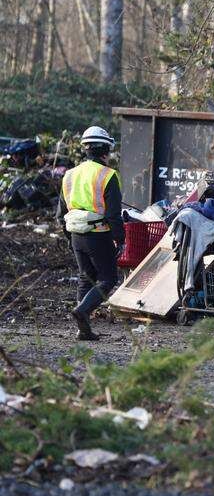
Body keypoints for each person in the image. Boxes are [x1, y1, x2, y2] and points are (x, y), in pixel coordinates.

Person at [59, 126, 125, 341]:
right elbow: (114, 214)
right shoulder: (108, 175)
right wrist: (120, 239)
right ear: (106, 149)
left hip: (76, 234)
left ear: (85, 149)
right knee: (107, 279)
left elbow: (61, 212)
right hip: (100, 234)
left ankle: (83, 330)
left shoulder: (69, 175)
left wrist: (70, 238)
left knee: (85, 278)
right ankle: (82, 311)